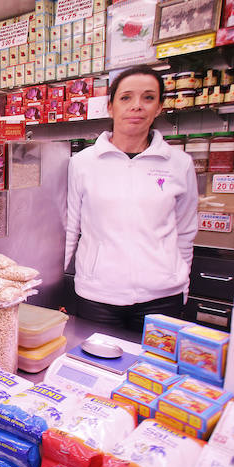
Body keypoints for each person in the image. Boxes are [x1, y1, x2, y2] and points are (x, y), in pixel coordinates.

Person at [65, 65, 198, 331]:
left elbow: (185, 231)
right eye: (126, 97)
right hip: (98, 295)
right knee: (92, 358)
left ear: (159, 107)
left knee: (153, 360)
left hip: (163, 297)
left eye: (148, 97)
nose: (136, 106)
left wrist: (181, 282)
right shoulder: (82, 163)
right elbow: (70, 227)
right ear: (110, 107)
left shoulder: (180, 163)